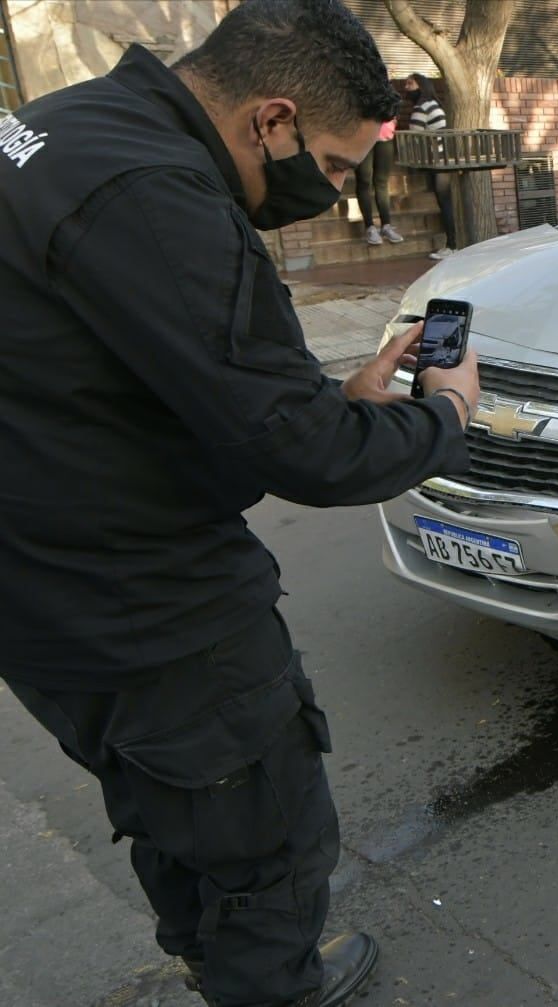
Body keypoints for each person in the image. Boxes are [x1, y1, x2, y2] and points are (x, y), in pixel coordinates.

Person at [0, 1, 481, 1005]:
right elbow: (304, 453)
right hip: (154, 612)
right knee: (266, 842)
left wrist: (315, 400)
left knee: (167, 809)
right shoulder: (159, 196)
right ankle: (267, 982)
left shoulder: (61, 124)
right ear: (273, 119)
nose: (334, 190)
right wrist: (443, 414)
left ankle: (213, 965)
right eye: (340, 166)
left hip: (43, 592)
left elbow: (118, 366)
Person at [402, 73, 459, 259]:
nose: (406, 87)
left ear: (421, 86)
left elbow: (414, 134)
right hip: (443, 158)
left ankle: (452, 246)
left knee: (444, 203)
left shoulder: (422, 106)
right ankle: (453, 245)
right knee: (446, 202)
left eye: (410, 83)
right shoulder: (433, 104)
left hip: (437, 160)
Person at [356, 111, 402, 245]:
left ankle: (386, 225)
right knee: (364, 181)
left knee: (382, 182)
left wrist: (393, 119)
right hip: (363, 137)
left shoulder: (385, 89)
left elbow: (393, 101)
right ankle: (370, 227)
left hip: (385, 136)